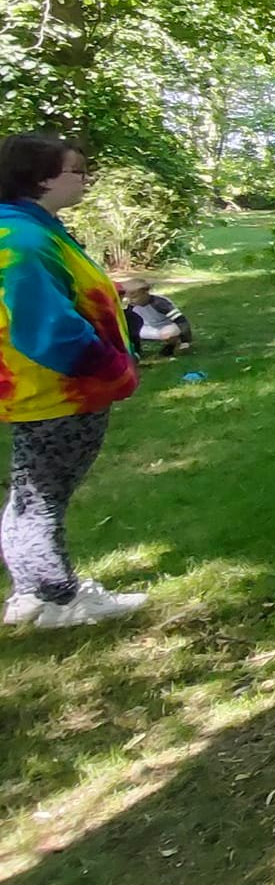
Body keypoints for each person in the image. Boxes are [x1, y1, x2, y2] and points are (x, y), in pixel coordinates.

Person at [0, 134, 147, 629]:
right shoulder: (23, 239)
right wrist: (114, 368)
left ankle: (32, 592)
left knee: (29, 496)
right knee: (41, 503)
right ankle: (62, 601)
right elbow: (48, 329)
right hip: (58, 391)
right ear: (40, 178)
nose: (84, 181)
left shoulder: (31, 228)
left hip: (45, 390)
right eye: (76, 172)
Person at [120, 278, 193, 358]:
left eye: (134, 297)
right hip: (148, 328)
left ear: (145, 293)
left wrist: (185, 341)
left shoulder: (160, 303)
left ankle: (171, 346)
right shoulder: (131, 305)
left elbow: (181, 320)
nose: (130, 301)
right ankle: (135, 352)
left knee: (168, 333)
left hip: (166, 327)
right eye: (128, 298)